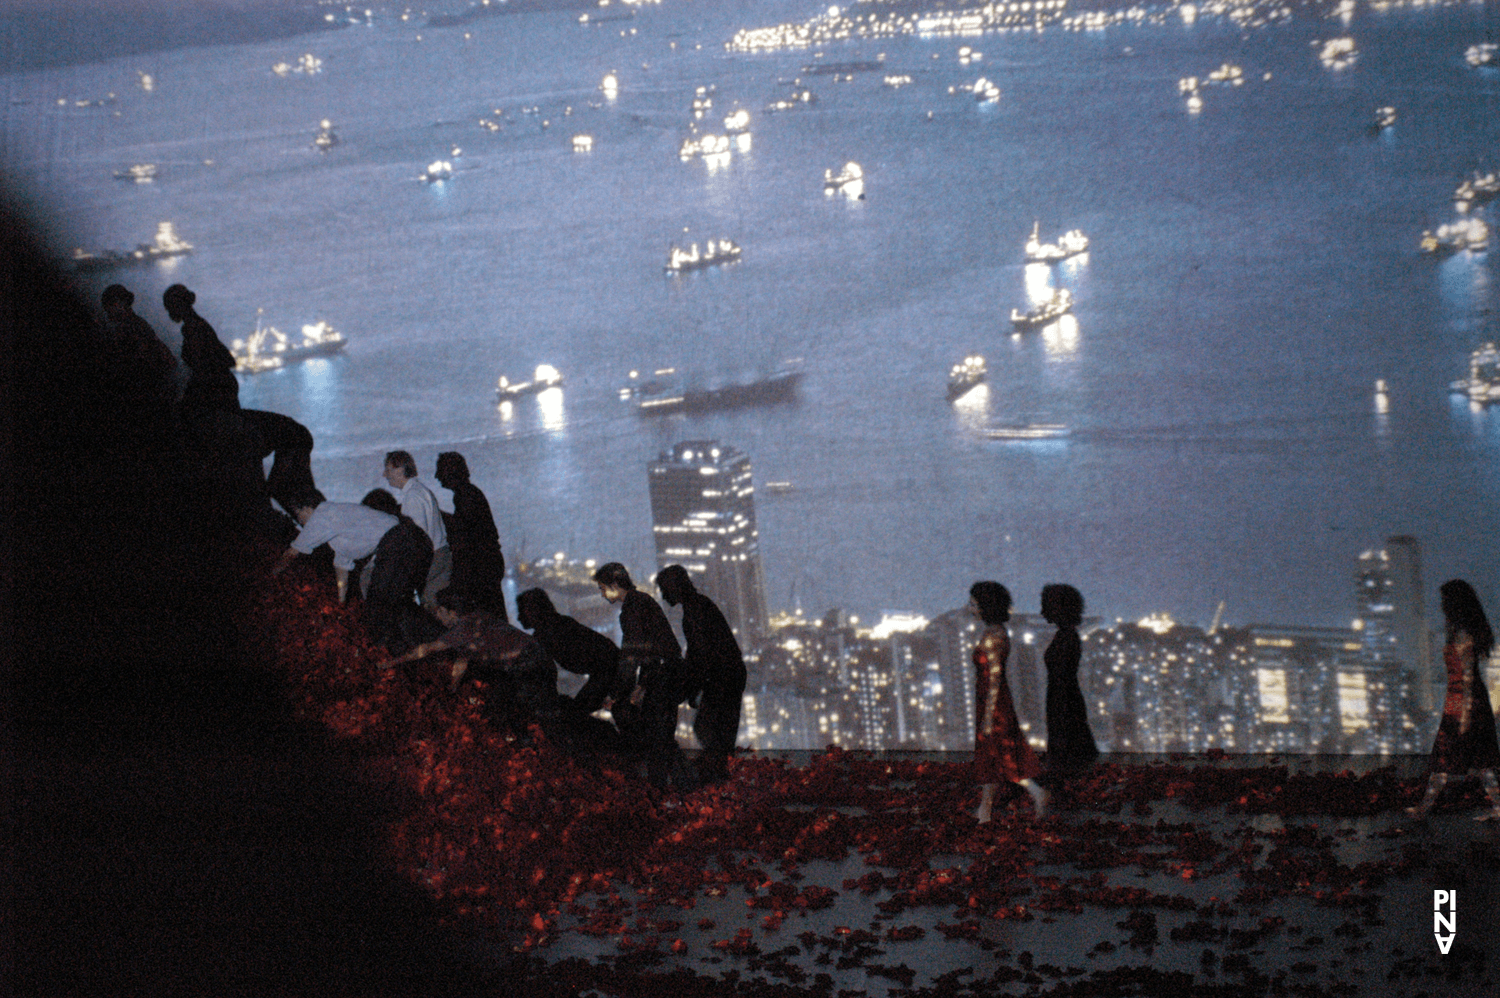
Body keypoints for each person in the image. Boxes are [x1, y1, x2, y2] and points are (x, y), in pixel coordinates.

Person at [381, 589, 560, 740]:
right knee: (520, 710)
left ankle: (537, 751)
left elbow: (426, 649)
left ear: (450, 611)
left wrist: (391, 663)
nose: (438, 617)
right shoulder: (476, 620)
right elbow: (463, 659)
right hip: (536, 662)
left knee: (531, 714)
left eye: (439, 612)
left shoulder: (463, 627)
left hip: (528, 666)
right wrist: (452, 687)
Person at [593, 562, 695, 790]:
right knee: (661, 737)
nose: (601, 594)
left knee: (657, 740)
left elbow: (632, 654)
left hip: (662, 677)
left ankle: (663, 792)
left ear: (615, 584)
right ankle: (683, 788)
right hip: (666, 675)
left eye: (602, 588)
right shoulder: (641, 602)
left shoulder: (632, 609)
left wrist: (617, 693)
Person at [1407, 579, 1500, 821]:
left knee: (1447, 758)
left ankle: (1422, 810)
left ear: (1454, 604)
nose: (1441, 605)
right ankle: (1424, 809)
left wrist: (1464, 717)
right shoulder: (1460, 631)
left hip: (1464, 704)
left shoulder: (1462, 633)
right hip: (1461, 701)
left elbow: (1467, 677)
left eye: (1444, 601)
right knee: (1478, 761)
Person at [656, 565, 746, 786]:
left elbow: (701, 654)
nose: (663, 595)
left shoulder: (694, 611)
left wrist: (689, 687)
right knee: (716, 732)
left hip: (723, 678)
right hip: (728, 676)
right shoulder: (698, 606)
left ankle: (718, 780)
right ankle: (721, 779)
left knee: (709, 730)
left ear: (674, 587)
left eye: (664, 589)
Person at [969, 581, 1047, 822]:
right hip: (991, 701)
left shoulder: (994, 636)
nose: (970, 608)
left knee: (1001, 755)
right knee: (992, 756)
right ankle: (985, 810)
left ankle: (1036, 792)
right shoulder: (994, 632)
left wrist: (989, 715)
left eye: (973, 604)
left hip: (994, 704)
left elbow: (994, 678)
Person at [516, 587, 620, 714]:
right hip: (611, 670)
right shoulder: (558, 625)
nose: (519, 618)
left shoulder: (546, 634)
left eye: (522, 611)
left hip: (609, 671)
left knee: (576, 715)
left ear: (533, 610)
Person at [434, 452, 506, 620]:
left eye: (440, 471)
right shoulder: (469, 494)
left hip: (481, 567)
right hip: (487, 565)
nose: (437, 476)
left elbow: (464, 534)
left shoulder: (465, 496)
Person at [1040, 583, 1099, 773]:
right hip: (1062, 697)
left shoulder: (1067, 637)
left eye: (1046, 607)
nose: (1042, 612)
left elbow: (1063, 671)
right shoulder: (1065, 635)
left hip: (1063, 698)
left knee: (1067, 747)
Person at [382, 450, 450, 607]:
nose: (384, 474)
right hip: (439, 557)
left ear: (400, 470)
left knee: (432, 608)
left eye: (388, 469)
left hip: (431, 562)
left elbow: (416, 539)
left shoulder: (412, 497)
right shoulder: (420, 491)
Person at [163, 283, 238, 416]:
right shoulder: (198, 324)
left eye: (169, 308)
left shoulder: (191, 328)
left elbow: (200, 366)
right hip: (223, 385)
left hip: (218, 389)